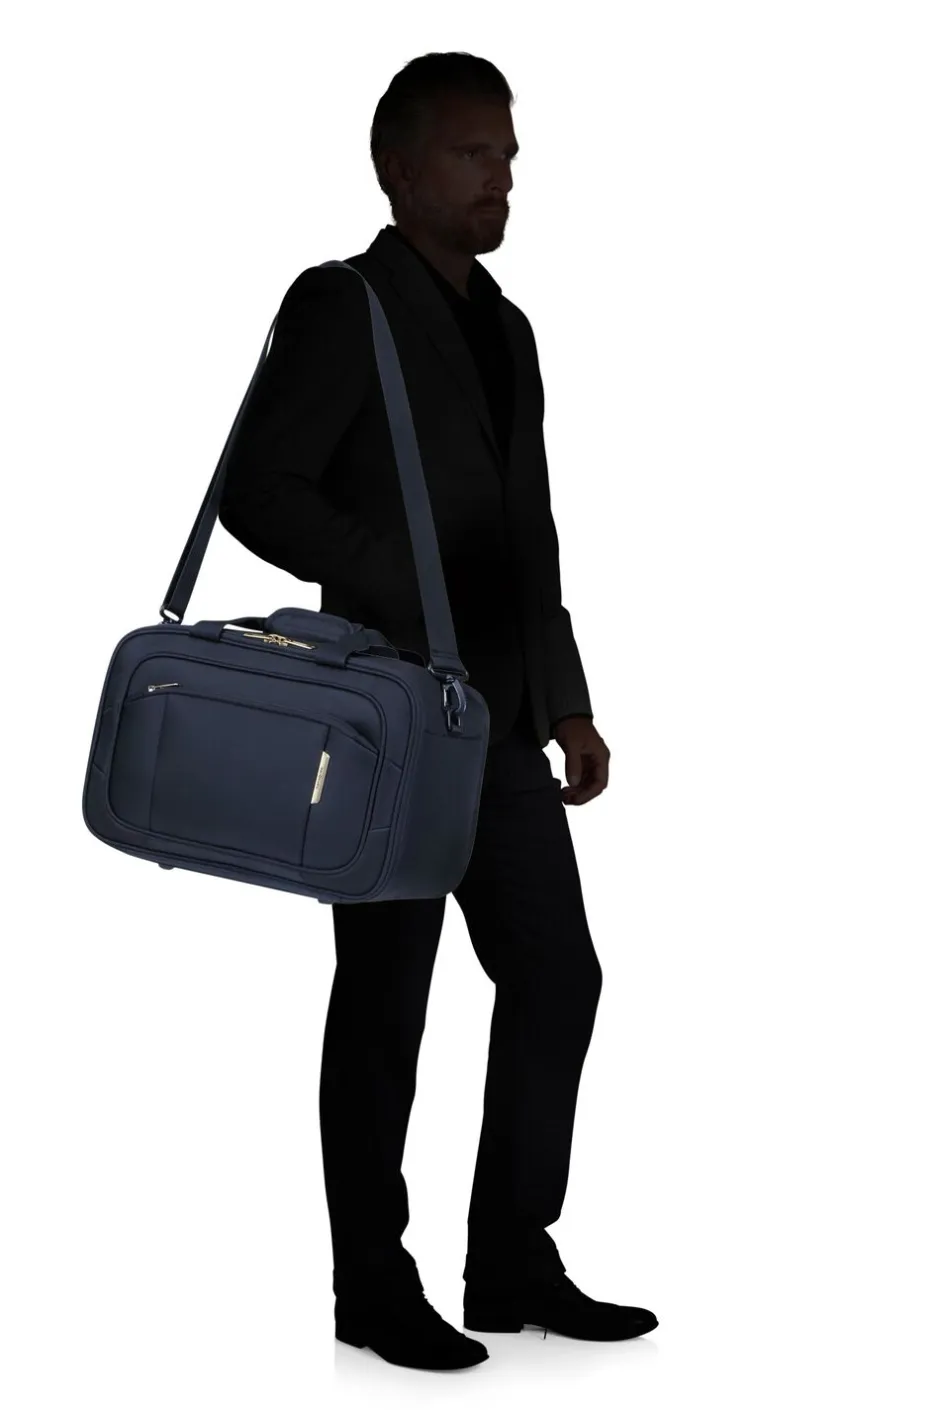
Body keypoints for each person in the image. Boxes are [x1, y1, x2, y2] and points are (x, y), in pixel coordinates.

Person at [218, 50, 657, 1372]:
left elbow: (533, 533)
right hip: (387, 721)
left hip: (503, 721)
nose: (500, 179)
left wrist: (567, 699)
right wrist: (396, 568)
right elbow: (257, 487)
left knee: (558, 973)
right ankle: (370, 1285)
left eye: (509, 156)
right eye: (474, 155)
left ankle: (510, 1260)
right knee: (385, 1001)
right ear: (397, 168)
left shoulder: (509, 329)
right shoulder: (342, 304)